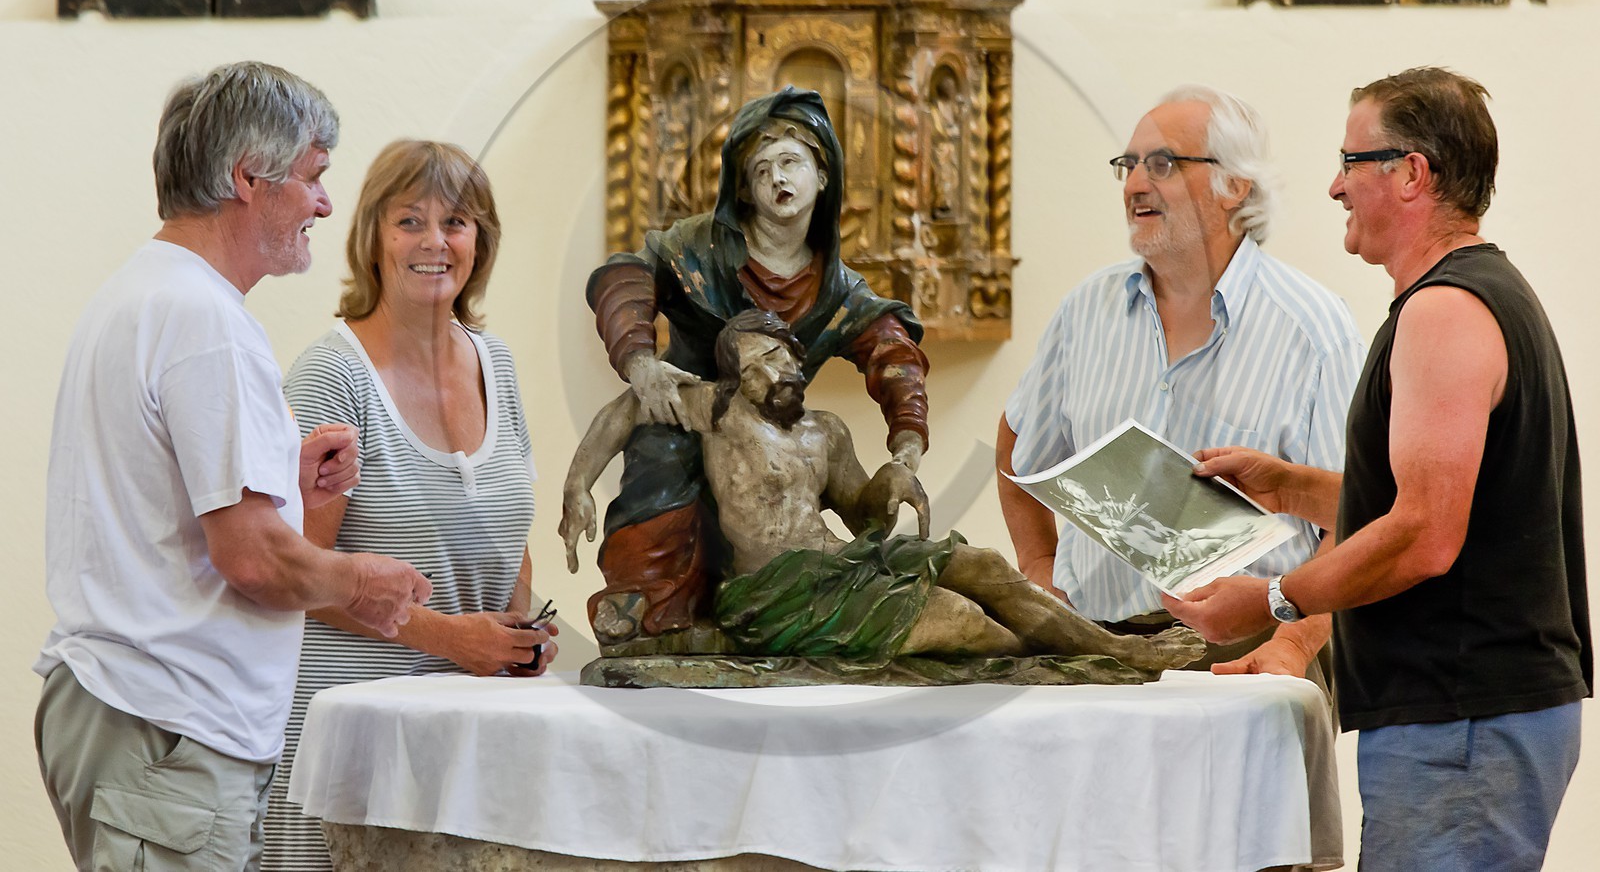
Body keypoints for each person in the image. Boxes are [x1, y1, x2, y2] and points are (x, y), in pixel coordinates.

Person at [1166, 67, 1591, 870]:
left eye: (1351, 161)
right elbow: (1450, 504)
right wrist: (1287, 485)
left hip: (1462, 723)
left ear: (1411, 173)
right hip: (1471, 720)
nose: (1335, 186)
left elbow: (1425, 533)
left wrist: (1274, 599)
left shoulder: (1444, 311)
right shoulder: (1479, 295)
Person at [34, 61, 432, 872]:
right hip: (167, 730)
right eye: (314, 177)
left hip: (135, 720)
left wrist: (283, 476)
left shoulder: (141, 293)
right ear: (249, 177)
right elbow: (252, 560)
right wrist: (361, 582)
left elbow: (152, 494)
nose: (324, 204)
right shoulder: (206, 321)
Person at [564, 310, 1205, 672]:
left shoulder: (825, 431)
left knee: (983, 565)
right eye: (757, 364)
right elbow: (627, 409)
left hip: (842, 564)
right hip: (773, 593)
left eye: (782, 356)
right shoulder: (720, 413)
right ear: (736, 377)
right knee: (961, 619)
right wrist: (577, 486)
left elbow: (862, 516)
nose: (776, 371)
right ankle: (1071, 657)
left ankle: (1118, 648)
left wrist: (892, 478)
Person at [997, 85, 1365, 682]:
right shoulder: (1086, 310)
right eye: (1128, 164)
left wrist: (1293, 647)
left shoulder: (1313, 328)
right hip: (1093, 650)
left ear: (1234, 185)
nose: (1135, 184)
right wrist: (1040, 573)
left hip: (1245, 654)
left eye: (1162, 164)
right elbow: (1017, 448)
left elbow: (1356, 515)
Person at [261, 140, 556, 872]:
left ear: (480, 241)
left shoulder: (498, 363)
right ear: (373, 239)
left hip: (464, 747)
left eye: (455, 222)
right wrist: (452, 638)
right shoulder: (332, 375)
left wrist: (517, 636)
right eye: (409, 221)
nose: (434, 242)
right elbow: (297, 575)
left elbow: (510, 530)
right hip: (347, 745)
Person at [584, 86, 929, 646]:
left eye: (791, 162)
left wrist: (905, 455)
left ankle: (772, 611)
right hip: (687, 415)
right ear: (743, 190)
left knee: (795, 508)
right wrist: (641, 362)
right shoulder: (694, 247)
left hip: (772, 436)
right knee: (662, 459)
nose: (777, 179)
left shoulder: (839, 291)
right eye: (761, 170)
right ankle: (644, 598)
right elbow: (627, 277)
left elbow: (896, 359)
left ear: (823, 175)